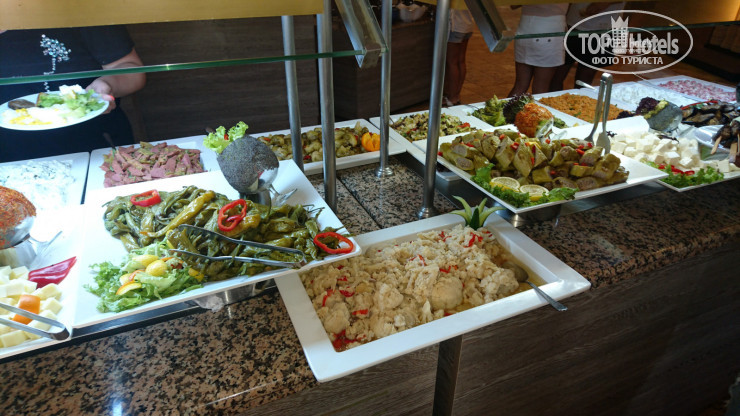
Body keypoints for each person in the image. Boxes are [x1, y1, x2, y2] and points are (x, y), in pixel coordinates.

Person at [0, 26, 146, 162]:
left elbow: (131, 69)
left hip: (94, 149)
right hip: (9, 157)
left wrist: (108, 84)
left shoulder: (78, 12)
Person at [550, 2, 626, 91]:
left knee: (584, 81)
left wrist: (605, 3)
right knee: (555, 76)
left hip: (601, 29)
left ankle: (580, 99)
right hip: (572, 23)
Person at [507, 3, 568, 97]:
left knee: (520, 86)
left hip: (525, 31)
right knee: (540, 89)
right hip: (550, 31)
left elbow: (513, 4)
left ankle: (506, 107)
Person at [443, 8, 475, 107]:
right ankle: (456, 96)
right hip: (468, 24)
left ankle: (452, 97)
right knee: (460, 61)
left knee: (452, 62)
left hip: (455, 26)